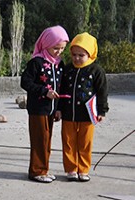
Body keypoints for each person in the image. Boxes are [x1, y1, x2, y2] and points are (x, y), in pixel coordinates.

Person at [20, 25, 69, 183]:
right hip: (38, 109)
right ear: (46, 44)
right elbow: (25, 82)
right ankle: (36, 171)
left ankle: (44, 169)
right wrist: (43, 91)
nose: (59, 51)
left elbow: (62, 87)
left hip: (51, 110)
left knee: (47, 140)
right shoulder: (36, 62)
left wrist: (59, 108)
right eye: (56, 48)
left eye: (62, 48)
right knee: (39, 140)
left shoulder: (60, 64)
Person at [58, 32, 108, 182]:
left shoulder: (96, 71)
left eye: (81, 55)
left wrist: (102, 111)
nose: (77, 58)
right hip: (68, 114)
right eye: (74, 54)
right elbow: (61, 90)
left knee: (85, 143)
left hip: (88, 114)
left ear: (90, 54)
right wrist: (59, 109)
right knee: (68, 142)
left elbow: (102, 92)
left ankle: (83, 170)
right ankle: (71, 169)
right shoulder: (67, 70)